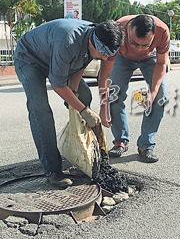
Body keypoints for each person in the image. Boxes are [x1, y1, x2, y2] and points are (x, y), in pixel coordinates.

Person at [13, 19, 125, 187]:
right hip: (30, 58)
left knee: (84, 95)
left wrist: (76, 96)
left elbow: (81, 64)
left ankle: (77, 150)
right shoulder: (68, 41)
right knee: (40, 108)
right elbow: (57, 84)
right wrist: (83, 110)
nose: (104, 58)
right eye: (101, 54)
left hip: (57, 58)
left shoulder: (103, 40)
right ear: (91, 40)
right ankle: (52, 169)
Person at [106, 14, 169, 163]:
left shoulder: (163, 31)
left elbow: (161, 64)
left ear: (153, 36)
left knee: (160, 96)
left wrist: (152, 94)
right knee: (114, 94)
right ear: (128, 30)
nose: (139, 49)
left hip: (151, 59)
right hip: (122, 58)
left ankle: (146, 145)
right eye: (134, 43)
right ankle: (120, 141)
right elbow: (107, 63)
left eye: (145, 44)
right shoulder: (118, 28)